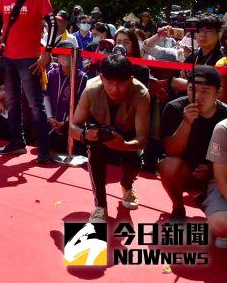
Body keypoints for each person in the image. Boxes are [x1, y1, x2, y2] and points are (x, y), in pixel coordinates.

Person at [0, 0, 57, 164]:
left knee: (35, 104)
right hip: (8, 56)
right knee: (13, 101)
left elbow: (52, 22)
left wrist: (47, 51)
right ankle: (17, 142)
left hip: (29, 58)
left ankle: (44, 149)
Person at [70, 55, 150, 223]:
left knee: (134, 163)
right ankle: (100, 206)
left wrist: (125, 145)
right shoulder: (91, 90)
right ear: (101, 78)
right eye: (109, 82)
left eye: (121, 82)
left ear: (131, 79)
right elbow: (73, 126)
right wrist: (85, 135)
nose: (115, 88)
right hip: (100, 134)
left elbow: (142, 139)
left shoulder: (141, 94)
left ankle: (127, 186)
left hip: (128, 136)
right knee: (94, 151)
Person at [158, 66, 227, 220]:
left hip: (217, 176)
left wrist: (212, 169)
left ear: (218, 92)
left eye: (205, 91)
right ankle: (178, 206)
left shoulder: (225, 116)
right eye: (191, 90)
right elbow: (171, 151)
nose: (197, 97)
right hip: (186, 171)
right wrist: (187, 123)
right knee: (168, 165)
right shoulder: (174, 108)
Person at [44, 41, 88, 153]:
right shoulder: (51, 74)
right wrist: (50, 117)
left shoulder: (82, 77)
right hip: (52, 124)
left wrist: (67, 122)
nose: (64, 57)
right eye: (61, 54)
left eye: (68, 54)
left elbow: (82, 105)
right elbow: (46, 96)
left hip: (72, 127)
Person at [204, 117, 227, 248]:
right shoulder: (223, 129)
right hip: (224, 187)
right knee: (221, 222)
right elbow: (221, 178)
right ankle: (220, 231)